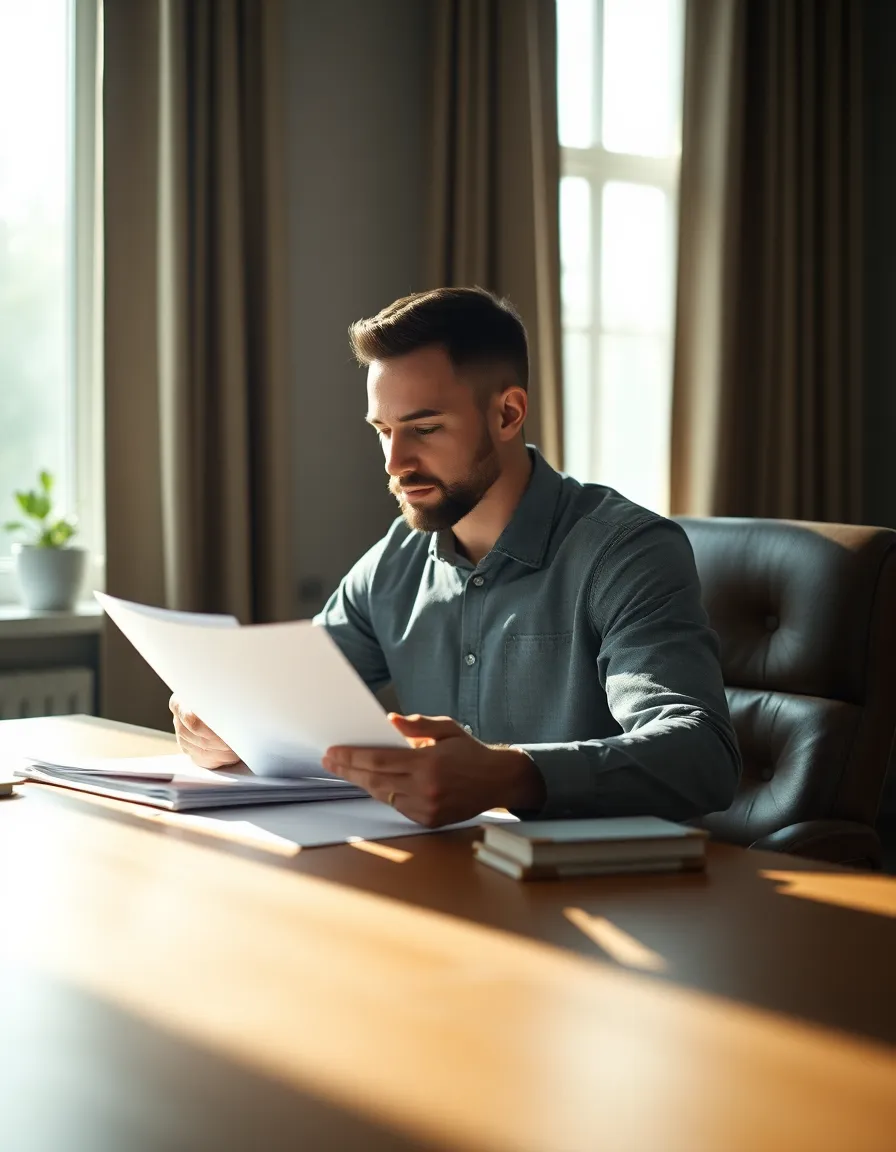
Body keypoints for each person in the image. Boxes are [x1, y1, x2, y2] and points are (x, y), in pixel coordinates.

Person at [171, 287, 741, 826]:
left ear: (508, 414)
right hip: (451, 879)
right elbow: (294, 697)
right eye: (383, 431)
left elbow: (701, 753)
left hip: (612, 895)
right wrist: (229, 721)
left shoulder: (625, 553)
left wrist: (510, 775)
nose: (395, 462)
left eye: (424, 428)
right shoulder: (396, 561)